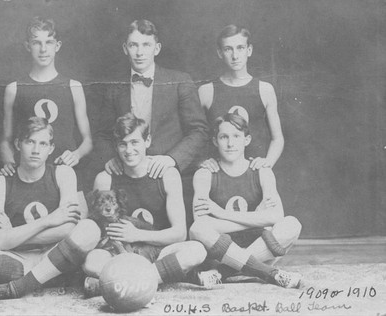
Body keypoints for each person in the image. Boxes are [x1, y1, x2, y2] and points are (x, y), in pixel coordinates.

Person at [0, 117, 100, 302]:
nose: (36, 150)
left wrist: (11, 235)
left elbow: (68, 229)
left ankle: (19, 287)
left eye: (43, 144)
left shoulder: (63, 174)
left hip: (54, 251)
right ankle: (50, 275)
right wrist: (48, 220)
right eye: (30, 142)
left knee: (89, 229)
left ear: (51, 148)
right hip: (21, 258)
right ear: (18, 144)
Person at [94, 19, 208, 227]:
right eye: (133, 45)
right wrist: (110, 158)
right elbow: (102, 134)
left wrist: (171, 159)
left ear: (157, 48)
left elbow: (198, 131)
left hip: (168, 175)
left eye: (146, 45)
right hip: (129, 178)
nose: (139, 52)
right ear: (125, 49)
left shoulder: (180, 81)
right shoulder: (114, 86)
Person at [83, 113, 211, 297]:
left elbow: (179, 233)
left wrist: (137, 234)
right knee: (92, 261)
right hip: (120, 254)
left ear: (147, 141)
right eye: (122, 144)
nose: (129, 150)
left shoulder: (167, 175)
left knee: (196, 251)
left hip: (157, 251)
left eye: (135, 142)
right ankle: (160, 277)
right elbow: (99, 233)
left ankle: (122, 282)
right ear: (116, 147)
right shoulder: (105, 178)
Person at [189, 113, 302, 288]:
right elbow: (201, 221)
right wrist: (257, 219)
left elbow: (277, 215)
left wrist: (221, 213)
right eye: (224, 137)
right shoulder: (204, 174)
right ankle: (266, 273)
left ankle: (223, 273)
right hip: (222, 249)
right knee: (198, 229)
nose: (230, 143)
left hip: (257, 245)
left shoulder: (262, 171)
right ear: (215, 141)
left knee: (292, 224)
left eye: (236, 136)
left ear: (247, 140)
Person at [0, 16, 92, 177]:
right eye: (37, 43)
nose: (43, 49)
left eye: (49, 42)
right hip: (28, 175)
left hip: (65, 173)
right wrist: (10, 163)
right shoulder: (14, 89)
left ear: (57, 46)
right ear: (28, 46)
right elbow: (6, 141)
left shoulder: (74, 87)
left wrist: (76, 154)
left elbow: (87, 141)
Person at [198, 25, 284, 172]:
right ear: (220, 53)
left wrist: (267, 163)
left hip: (255, 174)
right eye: (228, 49)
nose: (235, 56)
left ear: (249, 50)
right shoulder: (206, 91)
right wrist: (201, 161)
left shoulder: (265, 89)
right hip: (217, 175)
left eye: (240, 48)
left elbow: (278, 138)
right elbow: (193, 136)